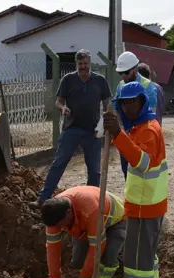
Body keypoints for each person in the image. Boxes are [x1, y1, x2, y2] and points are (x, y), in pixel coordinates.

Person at [103, 81, 167, 278]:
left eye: (133, 102)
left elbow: (141, 162)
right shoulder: (139, 127)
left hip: (145, 207)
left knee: (136, 263)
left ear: (143, 102)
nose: (128, 108)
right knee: (147, 256)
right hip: (146, 205)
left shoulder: (149, 130)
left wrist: (118, 134)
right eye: (124, 103)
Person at [29, 49, 112, 210]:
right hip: (71, 128)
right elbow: (58, 101)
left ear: (90, 63)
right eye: (80, 64)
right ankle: (42, 199)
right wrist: (62, 108)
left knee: (94, 171)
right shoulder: (68, 80)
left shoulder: (100, 81)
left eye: (85, 63)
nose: (83, 67)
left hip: (93, 132)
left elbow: (108, 104)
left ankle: (92, 203)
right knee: (58, 163)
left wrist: (103, 126)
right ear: (76, 64)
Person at [40, 186, 126, 278]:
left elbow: (97, 248)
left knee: (108, 258)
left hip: (115, 221)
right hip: (84, 226)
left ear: (68, 213)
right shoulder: (54, 214)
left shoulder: (90, 210)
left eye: (60, 225)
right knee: (78, 260)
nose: (59, 228)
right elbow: (52, 248)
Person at [113, 52, 158, 180]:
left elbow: (151, 115)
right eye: (120, 73)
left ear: (135, 69)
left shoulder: (148, 86)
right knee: (127, 170)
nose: (123, 76)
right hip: (127, 135)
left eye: (126, 72)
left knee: (142, 169)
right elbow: (116, 108)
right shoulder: (121, 85)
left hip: (143, 136)